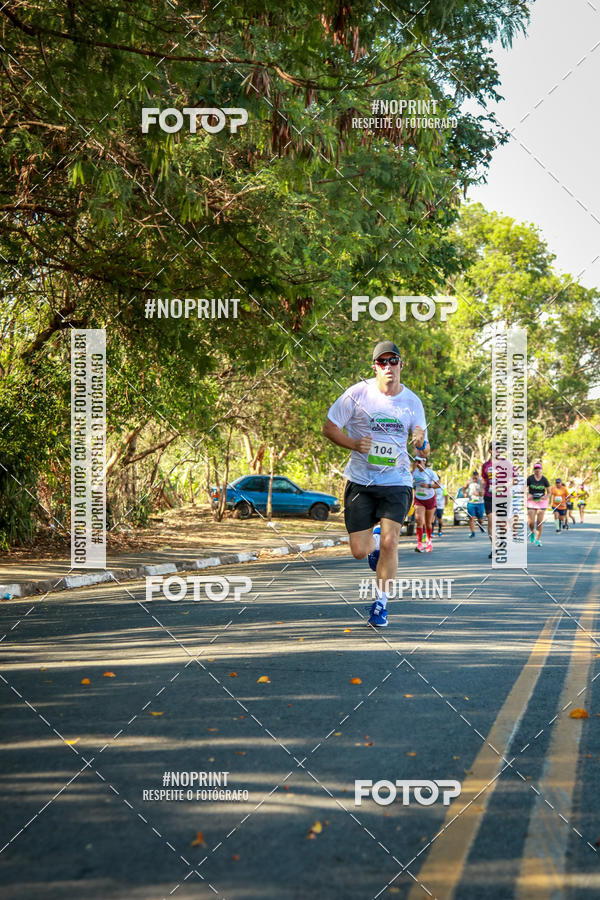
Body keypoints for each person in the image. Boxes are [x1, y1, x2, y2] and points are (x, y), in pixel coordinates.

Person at [323, 340, 430, 627]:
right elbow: (329, 427)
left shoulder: (412, 402)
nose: (388, 366)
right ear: (375, 367)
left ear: (401, 364)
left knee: (390, 542)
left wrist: (421, 444)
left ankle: (381, 604)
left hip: (397, 482)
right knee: (359, 550)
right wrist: (354, 444)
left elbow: (423, 449)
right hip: (361, 482)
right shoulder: (358, 394)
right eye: (382, 362)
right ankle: (373, 552)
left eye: (392, 360)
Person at [412, 457, 441, 551]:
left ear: (424, 462)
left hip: (429, 499)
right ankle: (419, 544)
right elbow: (408, 480)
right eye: (415, 461)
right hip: (418, 499)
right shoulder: (414, 472)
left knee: (428, 523)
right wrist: (413, 469)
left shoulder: (430, 472)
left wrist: (428, 486)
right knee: (419, 520)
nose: (417, 463)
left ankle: (429, 541)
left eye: (419, 461)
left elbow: (438, 485)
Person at [526, 461, 550, 546]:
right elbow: (523, 488)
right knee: (531, 522)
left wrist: (545, 497)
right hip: (531, 501)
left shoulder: (544, 479)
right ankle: (532, 532)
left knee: (539, 522)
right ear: (534, 469)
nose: (537, 470)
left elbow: (549, 492)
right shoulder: (530, 478)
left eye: (539, 468)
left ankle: (538, 539)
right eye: (536, 468)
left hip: (541, 502)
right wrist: (527, 494)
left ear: (541, 469)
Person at [466, 470, 485, 539]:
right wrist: (464, 493)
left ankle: (480, 525)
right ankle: (472, 532)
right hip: (471, 503)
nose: (474, 480)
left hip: (480, 503)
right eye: (473, 478)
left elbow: (484, 492)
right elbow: (464, 488)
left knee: (480, 519)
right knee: (471, 518)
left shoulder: (482, 482)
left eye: (476, 478)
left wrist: (479, 494)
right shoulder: (469, 481)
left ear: (478, 477)